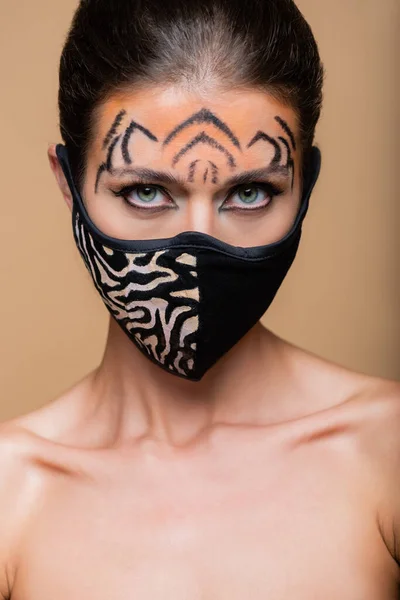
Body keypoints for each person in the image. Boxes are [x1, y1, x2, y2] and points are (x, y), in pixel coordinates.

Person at [1, 0, 399, 597]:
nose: (197, 247)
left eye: (251, 194)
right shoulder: (13, 490)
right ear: (70, 186)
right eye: (144, 192)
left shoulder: (385, 452)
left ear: (303, 187)